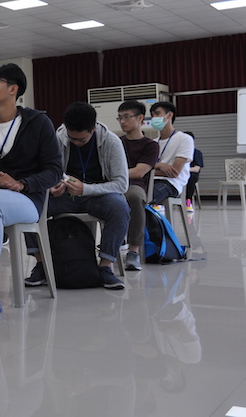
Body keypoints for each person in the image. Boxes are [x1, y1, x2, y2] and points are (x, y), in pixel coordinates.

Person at [0, 63, 62, 318]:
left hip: (28, 199)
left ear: (13, 89)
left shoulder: (38, 123)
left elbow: (54, 170)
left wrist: (22, 183)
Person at [25, 102, 130, 290]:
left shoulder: (111, 142)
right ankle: (41, 265)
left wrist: (85, 189)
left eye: (81, 140)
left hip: (98, 195)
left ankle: (105, 267)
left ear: (93, 128)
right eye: (71, 138)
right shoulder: (57, 139)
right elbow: (45, 173)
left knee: (120, 208)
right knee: (28, 207)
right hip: (65, 195)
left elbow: (121, 184)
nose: (75, 143)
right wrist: (51, 187)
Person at [118, 100, 159, 271]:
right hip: (114, 183)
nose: (122, 121)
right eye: (120, 118)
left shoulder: (150, 145)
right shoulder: (116, 142)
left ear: (140, 118)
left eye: (126, 117)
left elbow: (139, 172)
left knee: (134, 197)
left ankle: (133, 251)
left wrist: (117, 174)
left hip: (134, 184)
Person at [149, 102, 194, 205]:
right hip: (150, 181)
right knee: (131, 194)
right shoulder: (153, 142)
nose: (154, 118)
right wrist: (159, 166)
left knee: (144, 197)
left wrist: (149, 170)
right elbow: (144, 168)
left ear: (169, 115)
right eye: (152, 115)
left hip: (170, 183)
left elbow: (174, 172)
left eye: (157, 114)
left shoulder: (184, 139)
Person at [184, 131, 203, 211]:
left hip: (190, 173)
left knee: (191, 177)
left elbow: (196, 168)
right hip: (179, 173)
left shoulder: (196, 152)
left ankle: (188, 200)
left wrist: (185, 169)